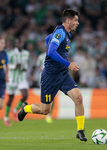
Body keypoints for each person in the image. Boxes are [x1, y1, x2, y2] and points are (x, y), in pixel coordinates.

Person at [18, 9, 87, 141]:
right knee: (45, 110)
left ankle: (80, 131)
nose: (78, 23)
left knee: (78, 98)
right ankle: (25, 108)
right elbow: (50, 52)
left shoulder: (66, 34)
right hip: (50, 76)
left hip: (62, 74)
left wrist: (64, 66)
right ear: (68, 21)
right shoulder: (60, 33)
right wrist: (68, 64)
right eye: (76, 20)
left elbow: (47, 39)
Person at [4, 38, 30, 126]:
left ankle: (15, 110)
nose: (19, 44)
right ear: (15, 44)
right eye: (18, 42)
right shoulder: (10, 54)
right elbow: (6, 65)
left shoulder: (26, 53)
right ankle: (6, 117)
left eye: (21, 42)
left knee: (25, 95)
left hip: (21, 78)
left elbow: (27, 63)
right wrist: (14, 66)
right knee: (10, 98)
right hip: (11, 78)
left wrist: (25, 67)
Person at [37, 47, 54, 123]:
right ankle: (45, 110)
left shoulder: (54, 56)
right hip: (43, 79)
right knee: (45, 96)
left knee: (52, 97)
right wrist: (41, 69)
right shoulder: (41, 56)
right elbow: (38, 65)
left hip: (52, 79)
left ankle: (48, 114)